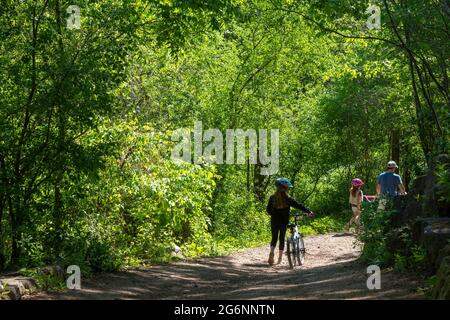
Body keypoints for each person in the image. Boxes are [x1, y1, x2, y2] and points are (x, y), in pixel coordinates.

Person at [266, 178, 314, 266]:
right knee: (281, 239)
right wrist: (308, 211)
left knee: (274, 238)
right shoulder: (288, 198)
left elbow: (268, 210)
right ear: (284, 188)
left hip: (274, 220)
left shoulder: (272, 197)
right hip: (284, 221)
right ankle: (279, 259)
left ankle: (272, 252)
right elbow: (298, 205)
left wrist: (275, 213)